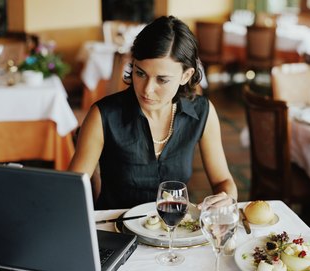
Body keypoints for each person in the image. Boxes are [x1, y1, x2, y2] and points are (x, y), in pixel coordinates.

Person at [69, 15, 237, 209]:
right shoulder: (103, 115)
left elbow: (223, 180)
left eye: (162, 79)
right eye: (140, 73)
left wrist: (227, 198)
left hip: (173, 230)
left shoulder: (202, 112)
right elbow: (71, 189)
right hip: (116, 231)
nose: (147, 89)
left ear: (186, 75)